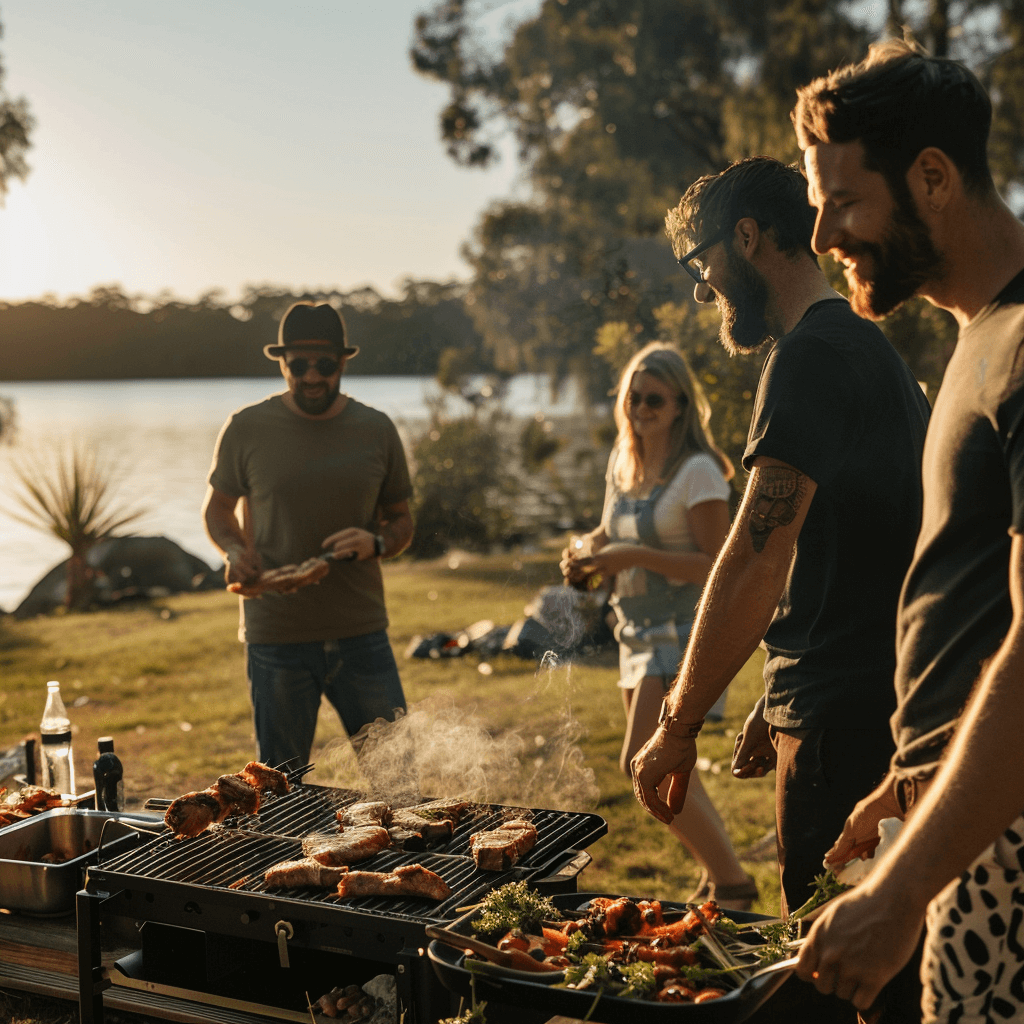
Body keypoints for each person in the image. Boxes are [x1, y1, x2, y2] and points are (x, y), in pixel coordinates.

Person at [629, 156, 931, 1022]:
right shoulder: (868, 351)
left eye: (701, 266)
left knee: (834, 974)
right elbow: (864, 550)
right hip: (852, 703)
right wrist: (773, 693)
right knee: (869, 961)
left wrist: (675, 726)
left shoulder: (807, 359)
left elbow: (757, 556)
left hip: (846, 732)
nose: (703, 290)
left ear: (749, 239)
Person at [789, 40, 1024, 1023]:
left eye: (841, 199)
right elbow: (975, 611)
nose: (819, 232)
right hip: (966, 823)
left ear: (930, 176)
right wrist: (909, 771)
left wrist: (895, 895)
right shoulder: (979, 335)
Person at [561, 342, 757, 909]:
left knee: (636, 760)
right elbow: (604, 534)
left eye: (654, 399)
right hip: (633, 632)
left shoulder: (698, 472)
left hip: (683, 634)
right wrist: (583, 553)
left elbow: (720, 566)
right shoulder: (624, 463)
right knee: (672, 767)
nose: (641, 408)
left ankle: (735, 885)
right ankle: (722, 877)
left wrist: (631, 557)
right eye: (633, 397)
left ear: (679, 406)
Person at [203, 300, 414, 770]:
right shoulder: (246, 427)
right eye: (299, 364)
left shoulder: (376, 429)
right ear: (282, 363)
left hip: (361, 633)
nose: (312, 376)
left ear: (342, 362)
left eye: (324, 364)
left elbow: (402, 521)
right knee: (280, 787)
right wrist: (236, 549)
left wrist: (376, 543)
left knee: (397, 780)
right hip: (276, 636)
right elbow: (217, 511)